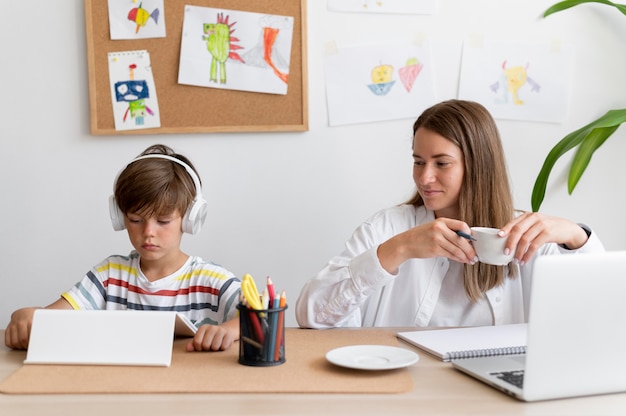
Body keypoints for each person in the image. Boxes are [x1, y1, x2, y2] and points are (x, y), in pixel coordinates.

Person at [296, 100, 605, 329]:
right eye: (418, 161)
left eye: (441, 163)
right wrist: (399, 249)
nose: (424, 177)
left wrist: (576, 236)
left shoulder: (523, 234)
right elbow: (311, 316)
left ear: (477, 165)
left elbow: (601, 309)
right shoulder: (388, 227)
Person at [5, 144, 241, 351]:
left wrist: (230, 330)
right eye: (136, 220)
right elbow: (54, 318)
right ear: (120, 218)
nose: (148, 232)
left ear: (190, 219)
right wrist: (26, 316)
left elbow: (265, 314)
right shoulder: (110, 276)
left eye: (163, 221)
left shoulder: (210, 279)